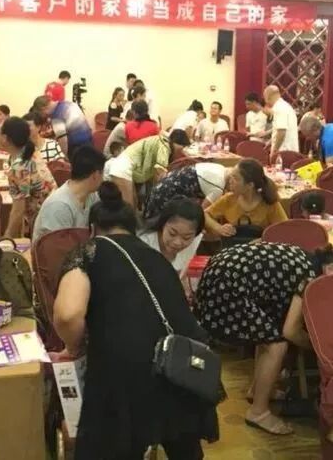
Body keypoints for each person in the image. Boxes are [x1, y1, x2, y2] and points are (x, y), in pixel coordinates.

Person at [54, 182, 219, 459]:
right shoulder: (156, 256)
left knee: (120, 441)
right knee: (181, 442)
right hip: (183, 359)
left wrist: (74, 347)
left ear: (92, 229)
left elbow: (68, 314)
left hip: (128, 364)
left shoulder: (89, 251)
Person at [195, 242, 333, 435]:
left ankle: (257, 390)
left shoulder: (307, 259)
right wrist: (317, 347)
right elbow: (290, 331)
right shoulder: (310, 277)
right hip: (227, 285)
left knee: (267, 333)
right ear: (330, 269)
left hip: (222, 272)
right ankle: (258, 413)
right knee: (277, 344)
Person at [32, 146, 105, 242]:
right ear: (96, 175)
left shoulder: (92, 196)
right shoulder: (59, 206)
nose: (103, 179)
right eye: (102, 173)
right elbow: (57, 247)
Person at [0, 117, 57, 237]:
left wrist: (6, 239)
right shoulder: (29, 150)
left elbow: (18, 211)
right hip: (53, 211)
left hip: (46, 221)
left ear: (4, 138)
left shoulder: (19, 168)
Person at [204, 158, 287, 237]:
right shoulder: (228, 199)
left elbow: (284, 229)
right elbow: (205, 214)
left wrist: (263, 239)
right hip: (233, 245)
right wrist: (218, 228)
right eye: (231, 176)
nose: (230, 181)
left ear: (250, 185)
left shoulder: (270, 203)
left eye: (236, 178)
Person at [108, 130, 191, 208]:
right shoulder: (164, 146)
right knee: (128, 206)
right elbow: (160, 174)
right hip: (123, 168)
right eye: (183, 146)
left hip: (124, 166)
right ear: (176, 142)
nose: (183, 150)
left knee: (134, 202)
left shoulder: (161, 141)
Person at [140, 198, 204, 280]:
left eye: (186, 237)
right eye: (172, 234)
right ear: (163, 224)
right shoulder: (143, 245)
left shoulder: (194, 242)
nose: (177, 242)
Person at [144, 162, 229, 220]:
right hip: (164, 200)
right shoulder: (218, 188)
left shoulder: (220, 168)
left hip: (160, 188)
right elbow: (201, 213)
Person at [30, 95, 93, 160]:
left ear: (43, 108)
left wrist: (64, 158)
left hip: (77, 148)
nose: (44, 116)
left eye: (42, 113)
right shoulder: (68, 104)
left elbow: (63, 140)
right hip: (89, 142)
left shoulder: (57, 115)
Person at [265, 85, 299, 160]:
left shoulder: (278, 108)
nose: (267, 103)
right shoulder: (287, 106)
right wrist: (271, 142)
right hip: (291, 151)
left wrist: (274, 151)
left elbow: (281, 132)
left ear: (268, 97)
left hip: (283, 153)